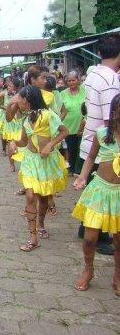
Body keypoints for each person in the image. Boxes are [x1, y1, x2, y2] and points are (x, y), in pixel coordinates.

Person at [8, 86, 69, 252]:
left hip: (46, 162)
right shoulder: (26, 119)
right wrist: (13, 143)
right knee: (30, 196)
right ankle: (33, 237)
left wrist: (50, 144)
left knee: (44, 198)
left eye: (19, 99)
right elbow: (23, 141)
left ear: (27, 100)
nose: (18, 103)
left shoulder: (48, 115)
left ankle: (41, 223)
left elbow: (64, 132)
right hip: (30, 161)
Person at [72, 94, 120, 294]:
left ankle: (117, 274)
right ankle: (88, 270)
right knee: (90, 238)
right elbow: (91, 157)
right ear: (114, 112)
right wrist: (83, 176)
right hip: (99, 190)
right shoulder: (102, 134)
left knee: (118, 240)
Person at [78, 34, 120, 256]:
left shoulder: (93, 73)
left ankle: (86, 229)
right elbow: (110, 118)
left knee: (92, 194)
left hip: (90, 140)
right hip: (104, 146)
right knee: (102, 196)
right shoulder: (111, 81)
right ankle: (99, 237)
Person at [61, 71, 86, 175]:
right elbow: (60, 110)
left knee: (81, 149)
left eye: (73, 80)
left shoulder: (85, 91)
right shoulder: (62, 94)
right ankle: (70, 169)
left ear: (78, 80)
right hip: (68, 127)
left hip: (83, 126)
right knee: (70, 149)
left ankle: (79, 171)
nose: (71, 82)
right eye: (69, 81)